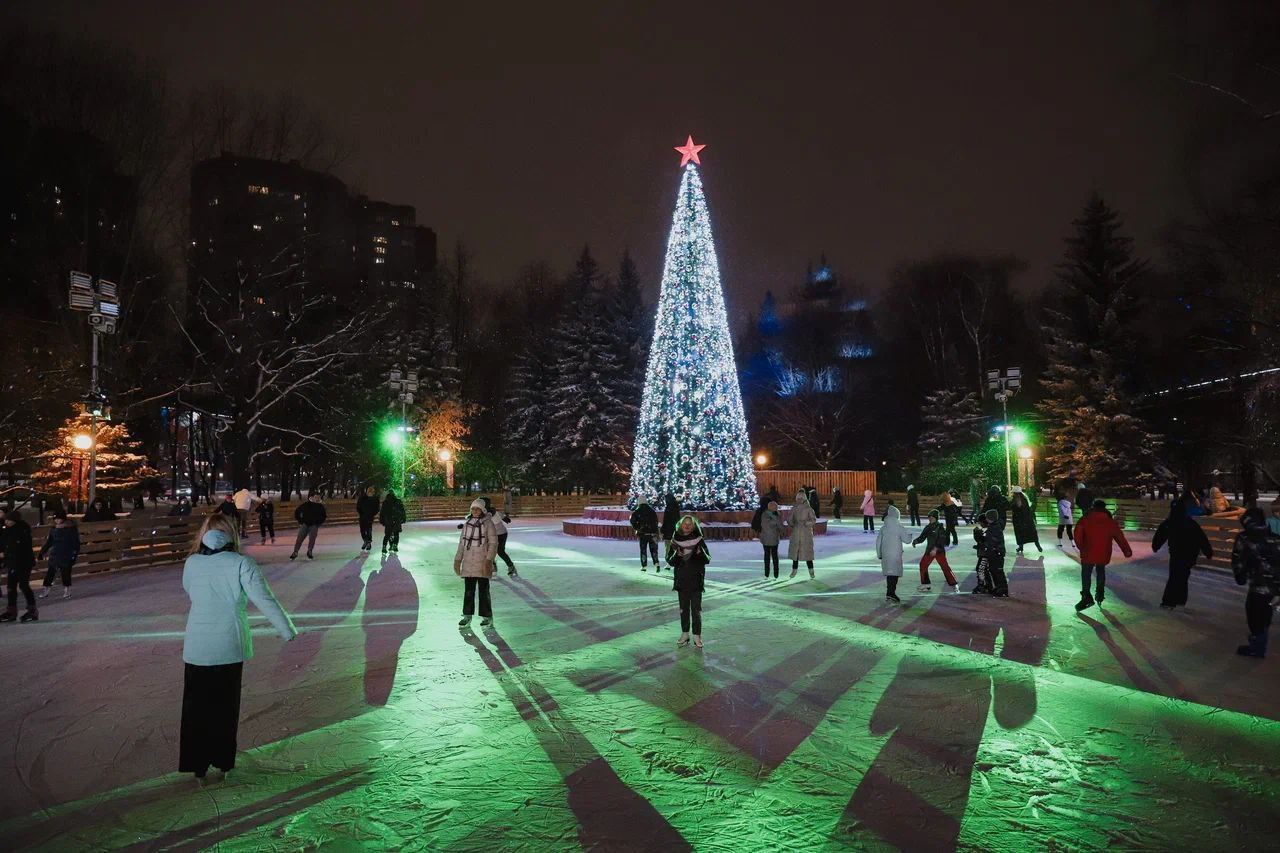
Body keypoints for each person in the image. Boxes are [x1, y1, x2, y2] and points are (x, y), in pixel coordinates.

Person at [179, 512, 296, 782]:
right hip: (228, 646)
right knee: (224, 707)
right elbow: (265, 599)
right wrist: (286, 629)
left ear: (204, 533)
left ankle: (197, 765)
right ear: (231, 532)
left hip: (197, 646)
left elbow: (190, 591)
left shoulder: (192, 563)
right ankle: (222, 762)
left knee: (195, 708)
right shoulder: (242, 564)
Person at [1230, 507, 1279, 658]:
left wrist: (1240, 576)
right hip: (1273, 586)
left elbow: (1238, 560)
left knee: (1254, 614)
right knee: (1264, 614)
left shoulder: (1244, 539)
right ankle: (1258, 643)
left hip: (1258, 586)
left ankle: (1257, 647)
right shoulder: (1275, 538)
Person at [1151, 498, 1213, 610]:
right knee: (1182, 576)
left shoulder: (1171, 523)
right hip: (1189, 554)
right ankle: (1180, 601)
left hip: (1179, 554)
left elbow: (1160, 535)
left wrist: (1156, 546)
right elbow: (1202, 538)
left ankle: (1169, 602)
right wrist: (1208, 552)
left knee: (1175, 576)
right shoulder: (1190, 523)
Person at [1073, 499, 1133, 611]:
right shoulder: (1110, 522)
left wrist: (1081, 546)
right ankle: (1100, 594)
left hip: (1088, 552)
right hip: (1103, 552)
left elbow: (1077, 534)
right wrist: (1126, 550)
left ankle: (1086, 596)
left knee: (1086, 574)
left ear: (1093, 507)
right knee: (1100, 571)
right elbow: (1120, 537)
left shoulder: (1085, 519)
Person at [667, 515, 710, 648]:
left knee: (696, 610)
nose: (687, 526)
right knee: (683, 609)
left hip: (696, 580)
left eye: (689, 524)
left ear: (693, 526)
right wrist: (677, 555)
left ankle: (697, 635)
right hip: (682, 580)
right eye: (684, 523)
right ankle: (685, 634)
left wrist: (699, 553)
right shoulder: (675, 541)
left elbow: (707, 559)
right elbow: (670, 560)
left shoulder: (699, 540)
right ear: (680, 525)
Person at [454, 499, 498, 627]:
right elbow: (462, 543)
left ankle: (487, 617)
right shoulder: (467, 524)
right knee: (469, 591)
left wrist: (489, 560)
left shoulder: (488, 524)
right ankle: (467, 616)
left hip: (482, 562)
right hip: (468, 563)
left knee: (484, 592)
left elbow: (493, 543)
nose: (474, 511)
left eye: (477, 509)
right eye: (473, 509)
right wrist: (458, 559)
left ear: (482, 510)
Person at [0, 509, 38, 622]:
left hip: (23, 562)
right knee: (11, 587)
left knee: (23, 585)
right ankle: (11, 611)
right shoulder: (7, 529)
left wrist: (4, 553)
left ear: (14, 520)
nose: (6, 522)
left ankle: (32, 610)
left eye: (8, 520)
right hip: (13, 562)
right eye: (5, 520)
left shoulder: (21, 530)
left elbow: (19, 548)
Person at [911, 509, 958, 593]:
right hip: (929, 551)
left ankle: (953, 584)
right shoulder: (928, 527)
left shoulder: (940, 527)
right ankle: (926, 584)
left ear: (935, 518)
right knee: (923, 565)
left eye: (931, 517)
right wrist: (915, 541)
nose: (930, 519)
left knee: (945, 567)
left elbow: (942, 539)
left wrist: (935, 548)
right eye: (929, 517)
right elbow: (922, 537)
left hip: (939, 551)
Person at [38, 512, 80, 600]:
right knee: (50, 573)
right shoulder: (53, 529)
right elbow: (49, 542)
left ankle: (67, 590)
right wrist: (42, 552)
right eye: (55, 519)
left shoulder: (70, 529)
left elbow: (76, 543)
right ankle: (46, 590)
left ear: (63, 519)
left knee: (66, 573)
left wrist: (74, 555)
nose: (57, 520)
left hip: (66, 554)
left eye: (59, 518)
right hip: (55, 554)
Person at [876, 505, 913, 603]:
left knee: (889, 574)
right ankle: (891, 593)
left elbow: (878, 542)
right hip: (895, 555)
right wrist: (910, 535)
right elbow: (907, 540)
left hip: (886, 555)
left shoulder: (883, 528)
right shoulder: (899, 527)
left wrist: (879, 554)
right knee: (894, 574)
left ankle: (890, 592)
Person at [978, 509, 1009, 597]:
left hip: (996, 553)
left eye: (987, 517)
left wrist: (991, 548)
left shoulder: (994, 528)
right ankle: (999, 587)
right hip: (993, 553)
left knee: (998, 571)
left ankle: (1003, 588)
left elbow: (993, 541)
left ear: (990, 518)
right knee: (993, 570)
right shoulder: (993, 527)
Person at [787, 490, 817, 578]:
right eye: (798, 498)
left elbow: (813, 519)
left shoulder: (808, 509)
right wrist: (791, 523)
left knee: (807, 553)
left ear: (804, 499)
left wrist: (806, 523)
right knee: (795, 553)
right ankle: (794, 570)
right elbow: (790, 519)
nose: (799, 500)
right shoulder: (794, 508)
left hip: (806, 533)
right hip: (796, 533)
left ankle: (811, 570)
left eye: (801, 498)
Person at [290, 495, 327, 560]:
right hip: (305, 524)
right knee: (300, 538)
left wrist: (318, 523)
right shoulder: (307, 504)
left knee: (312, 539)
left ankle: (310, 551)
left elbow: (323, 516)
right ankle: (295, 552)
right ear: (313, 498)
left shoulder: (321, 506)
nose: (317, 499)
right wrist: (300, 521)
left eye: (318, 498)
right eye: (315, 497)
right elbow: (297, 511)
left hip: (314, 525)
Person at [630, 499, 660, 571]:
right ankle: (656, 564)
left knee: (643, 550)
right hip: (653, 533)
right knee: (654, 550)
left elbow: (632, 521)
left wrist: (638, 528)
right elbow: (656, 521)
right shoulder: (652, 511)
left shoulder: (637, 512)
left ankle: (644, 566)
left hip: (643, 533)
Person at [488, 504, 518, 577]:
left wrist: (505, 518)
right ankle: (492, 565)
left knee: (500, 551)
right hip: (490, 535)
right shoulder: (482, 514)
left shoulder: (495, 513)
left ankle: (511, 567)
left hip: (501, 534)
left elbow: (501, 516)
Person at [1010, 489, 1042, 554]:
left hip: (1019, 521)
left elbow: (1011, 507)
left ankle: (1021, 547)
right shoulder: (1024, 499)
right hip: (1027, 520)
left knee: (1020, 534)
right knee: (1031, 533)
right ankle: (1037, 544)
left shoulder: (1015, 500)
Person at [758, 500, 783, 578]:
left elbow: (779, 526)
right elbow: (776, 525)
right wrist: (777, 523)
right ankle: (770, 573)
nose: (776, 508)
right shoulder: (767, 515)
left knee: (771, 556)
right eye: (775, 507)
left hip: (771, 538)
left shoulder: (766, 514)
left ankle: (772, 573)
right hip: (768, 538)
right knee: (771, 556)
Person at [379, 490, 406, 556]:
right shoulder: (398, 501)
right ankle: (395, 546)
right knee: (396, 534)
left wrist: (382, 521)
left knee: (388, 534)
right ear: (394, 494)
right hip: (396, 519)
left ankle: (385, 547)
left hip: (388, 520)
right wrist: (403, 518)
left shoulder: (385, 502)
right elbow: (402, 510)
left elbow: (382, 512)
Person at [356, 486, 380, 552]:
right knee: (362, 530)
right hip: (362, 517)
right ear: (367, 492)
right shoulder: (362, 498)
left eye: (372, 492)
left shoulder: (375, 499)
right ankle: (365, 541)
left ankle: (368, 542)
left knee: (368, 529)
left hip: (370, 517)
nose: (370, 493)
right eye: (369, 491)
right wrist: (361, 514)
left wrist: (372, 514)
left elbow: (377, 508)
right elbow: (358, 507)